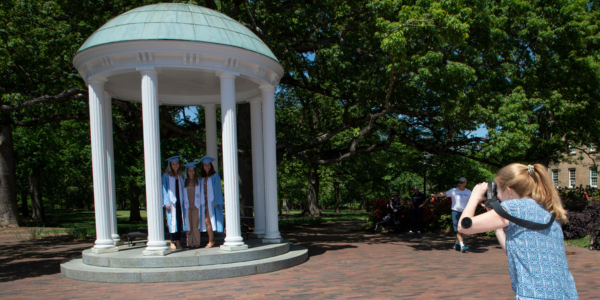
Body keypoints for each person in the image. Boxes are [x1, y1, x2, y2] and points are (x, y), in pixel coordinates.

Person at [458, 164, 578, 299]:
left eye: (498, 191)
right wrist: (496, 225)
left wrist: (474, 197)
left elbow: (463, 227)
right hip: (566, 293)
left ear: (509, 191)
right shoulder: (547, 208)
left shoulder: (513, 207)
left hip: (534, 294)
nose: (497, 195)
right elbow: (511, 251)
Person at [431, 177, 471, 252]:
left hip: (464, 212)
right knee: (458, 229)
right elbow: (443, 194)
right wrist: (435, 195)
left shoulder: (468, 192)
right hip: (455, 212)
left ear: (465, 183)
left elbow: (474, 200)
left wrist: (482, 204)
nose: (459, 184)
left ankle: (456, 243)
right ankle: (462, 245)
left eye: (461, 183)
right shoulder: (453, 190)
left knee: (462, 229)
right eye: (458, 182)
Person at [198, 156, 224, 248]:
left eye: (208, 165)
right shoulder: (202, 178)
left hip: (211, 202)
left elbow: (217, 189)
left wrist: (216, 201)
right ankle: (212, 239)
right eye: (205, 165)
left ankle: (211, 240)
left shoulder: (215, 176)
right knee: (207, 221)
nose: (206, 167)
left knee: (207, 221)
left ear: (211, 165)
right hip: (204, 202)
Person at [161, 155, 187, 250]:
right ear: (170, 165)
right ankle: (172, 241)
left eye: (177, 163)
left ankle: (178, 241)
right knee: (172, 221)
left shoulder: (180, 176)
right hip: (171, 203)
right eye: (173, 164)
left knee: (179, 221)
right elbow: (164, 189)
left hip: (179, 202)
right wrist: (166, 202)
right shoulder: (166, 176)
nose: (175, 165)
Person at [182, 162, 201, 248]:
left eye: (193, 170)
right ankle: (190, 243)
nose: (191, 172)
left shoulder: (198, 181)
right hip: (187, 206)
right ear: (187, 171)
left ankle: (196, 242)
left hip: (196, 205)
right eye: (189, 170)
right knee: (189, 224)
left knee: (195, 224)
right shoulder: (184, 181)